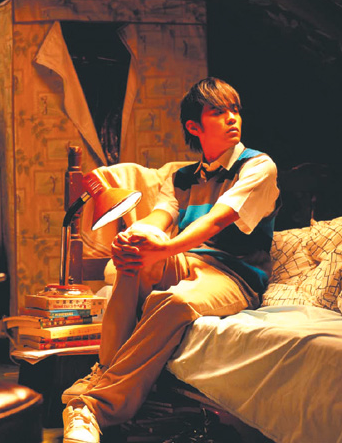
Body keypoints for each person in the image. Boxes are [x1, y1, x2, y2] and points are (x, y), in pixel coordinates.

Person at [62, 77, 280, 443]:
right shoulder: (181, 176)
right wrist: (132, 238)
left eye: (235, 110)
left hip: (234, 275)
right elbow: (160, 215)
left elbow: (216, 221)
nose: (232, 118)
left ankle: (93, 407)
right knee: (129, 261)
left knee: (174, 302)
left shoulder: (258, 166)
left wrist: (165, 249)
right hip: (188, 261)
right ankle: (106, 370)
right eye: (218, 111)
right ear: (194, 127)